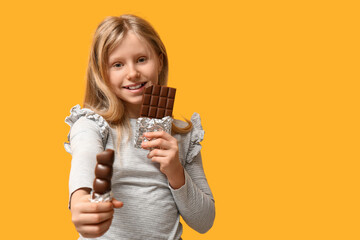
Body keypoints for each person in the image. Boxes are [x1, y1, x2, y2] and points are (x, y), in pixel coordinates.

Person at [64, 14, 215, 240]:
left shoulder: (183, 136)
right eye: (117, 64)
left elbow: (204, 221)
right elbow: (85, 156)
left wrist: (175, 170)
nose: (132, 73)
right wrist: (79, 199)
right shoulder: (93, 125)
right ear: (101, 73)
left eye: (142, 59)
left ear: (160, 60)